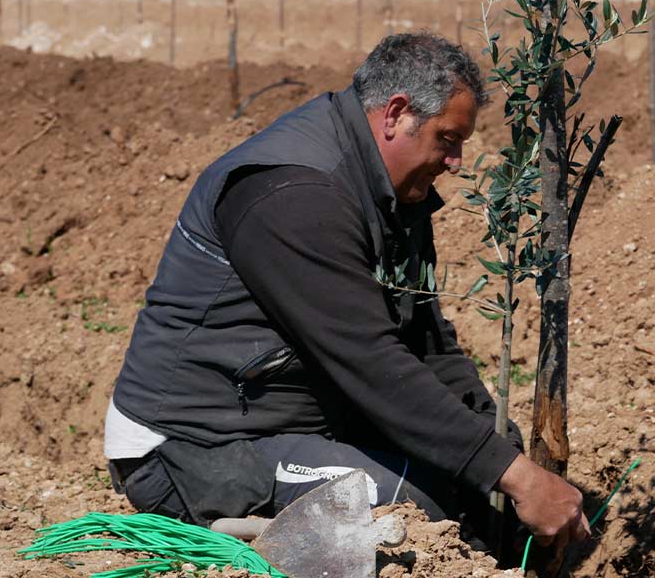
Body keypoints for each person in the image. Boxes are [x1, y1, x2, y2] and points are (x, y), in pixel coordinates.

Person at [104, 33, 589, 558]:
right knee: (418, 507)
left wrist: (499, 445)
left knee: (468, 485)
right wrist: (514, 477)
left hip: (285, 420)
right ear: (396, 114)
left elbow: (425, 340)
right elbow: (370, 363)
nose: (457, 160)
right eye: (448, 139)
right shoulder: (295, 194)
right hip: (193, 447)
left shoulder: (390, 189)